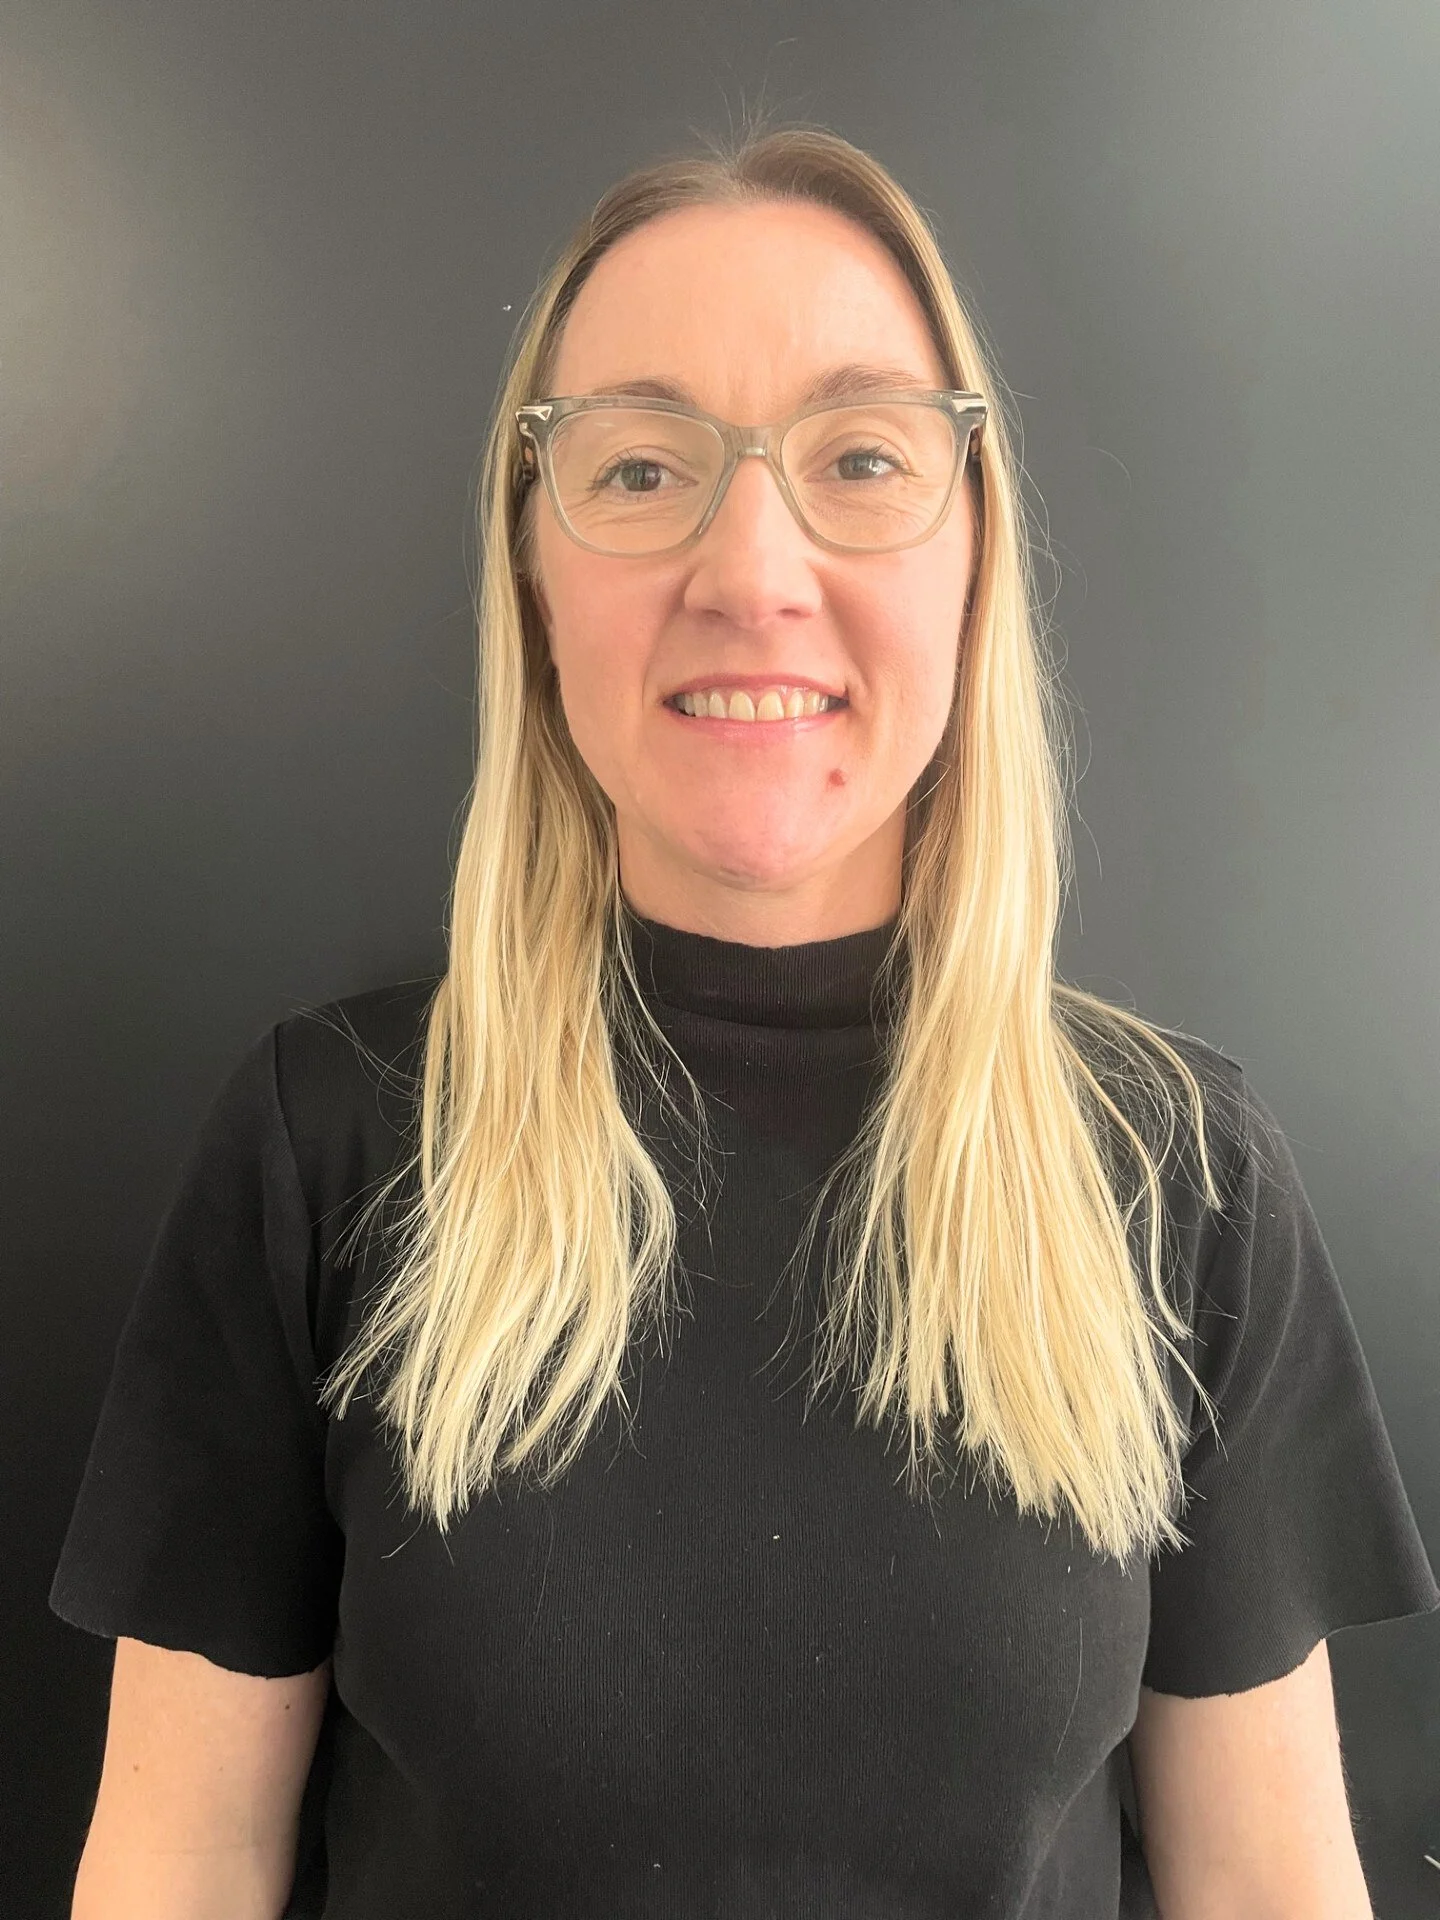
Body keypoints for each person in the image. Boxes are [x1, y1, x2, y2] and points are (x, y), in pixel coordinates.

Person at [51, 123, 1437, 1920]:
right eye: (641, 471)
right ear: (537, 579)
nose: (752, 565)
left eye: (861, 458)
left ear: (975, 559)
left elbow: (1268, 1887)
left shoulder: (1184, 1177)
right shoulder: (326, 1142)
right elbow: (181, 1862)